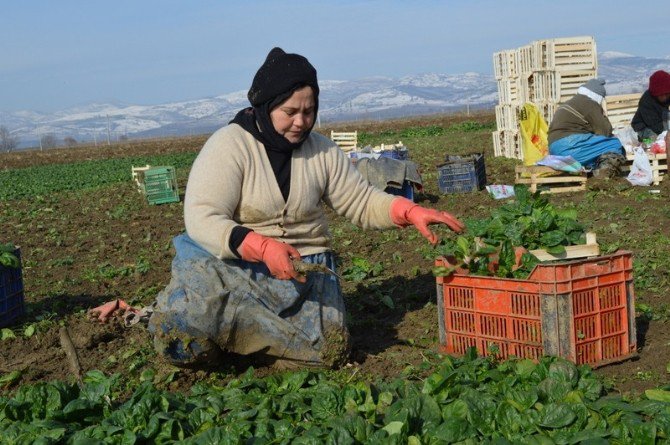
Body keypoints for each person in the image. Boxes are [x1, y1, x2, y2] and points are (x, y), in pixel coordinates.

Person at [113, 47, 464, 370]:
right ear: (266, 106)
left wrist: (408, 211)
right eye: (290, 112)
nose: (301, 122)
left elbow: (359, 200)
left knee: (328, 353)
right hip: (235, 267)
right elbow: (202, 218)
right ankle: (187, 323)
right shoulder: (230, 146)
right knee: (185, 336)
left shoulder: (322, 151)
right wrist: (262, 247)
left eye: (309, 112)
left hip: (304, 271)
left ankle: (250, 345)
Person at [548, 78, 626, 178]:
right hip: (570, 147)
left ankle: (589, 172)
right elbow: (605, 131)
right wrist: (603, 114)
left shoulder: (570, 102)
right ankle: (603, 175)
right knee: (614, 143)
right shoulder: (590, 104)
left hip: (554, 149)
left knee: (594, 146)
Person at [631, 70, 670, 142]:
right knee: (654, 139)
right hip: (644, 127)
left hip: (663, 122)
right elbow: (656, 127)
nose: (664, 97)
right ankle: (642, 141)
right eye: (661, 95)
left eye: (667, 94)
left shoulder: (668, 95)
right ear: (655, 94)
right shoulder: (646, 101)